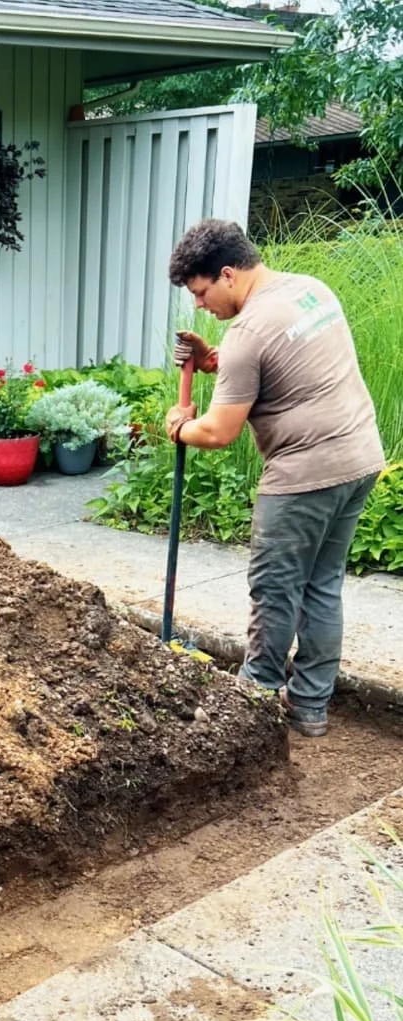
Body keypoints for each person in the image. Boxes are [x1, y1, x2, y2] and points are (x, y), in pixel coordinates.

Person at [164, 218, 384, 738]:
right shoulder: (311, 290)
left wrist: (179, 429)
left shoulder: (248, 331)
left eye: (200, 292)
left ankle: (252, 706)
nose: (200, 305)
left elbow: (218, 432)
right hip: (359, 459)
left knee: (276, 591)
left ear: (226, 274)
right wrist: (214, 361)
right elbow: (285, 364)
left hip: (305, 474)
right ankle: (308, 708)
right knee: (322, 587)